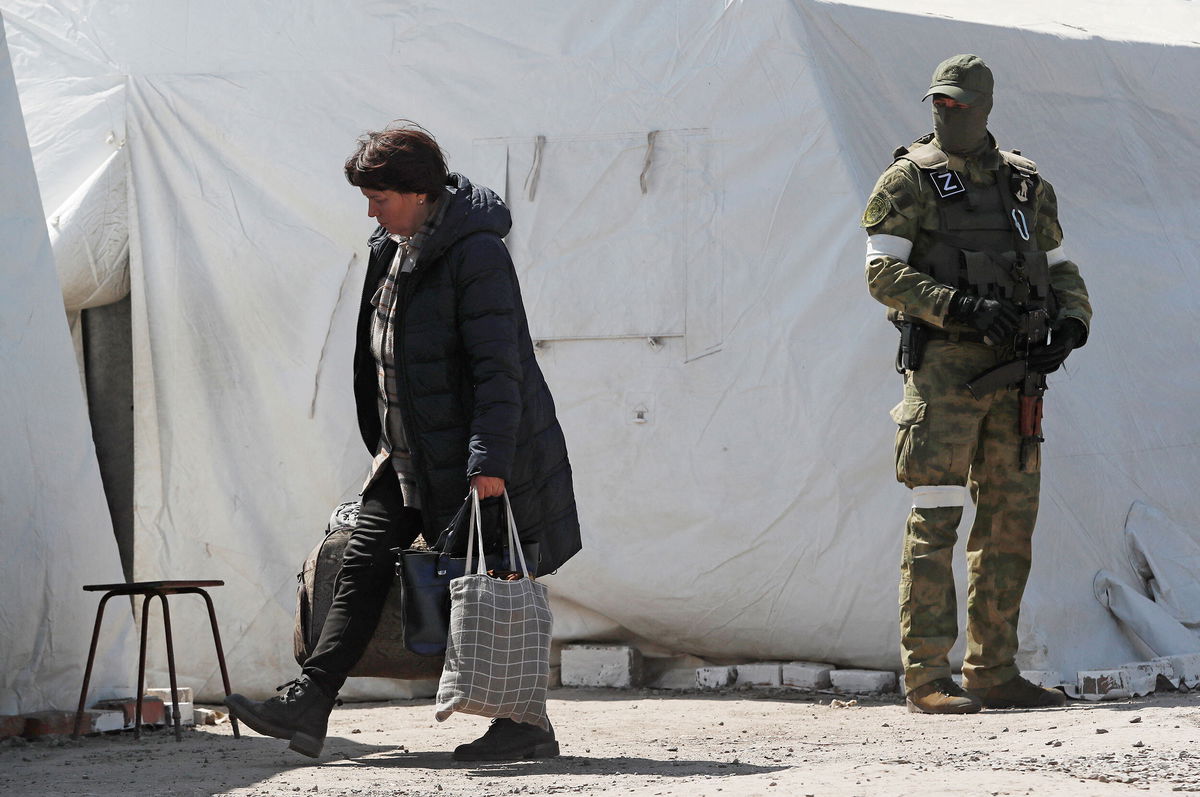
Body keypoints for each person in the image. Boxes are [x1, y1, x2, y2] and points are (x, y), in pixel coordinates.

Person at [225, 122, 581, 757]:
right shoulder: (390, 246)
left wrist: (488, 460)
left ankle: (526, 725)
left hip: (472, 451)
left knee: (494, 582)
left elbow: (500, 367)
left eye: (380, 196)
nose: (370, 209)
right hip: (410, 451)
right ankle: (311, 703)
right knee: (361, 560)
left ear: (419, 193)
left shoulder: (477, 254)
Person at [861, 55, 1092, 714]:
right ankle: (927, 675)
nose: (947, 112)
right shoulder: (909, 181)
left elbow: (1059, 265)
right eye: (940, 102)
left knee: (1009, 525)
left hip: (1017, 376)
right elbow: (883, 273)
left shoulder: (1025, 185)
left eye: (960, 105)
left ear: (986, 108)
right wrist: (959, 307)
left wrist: (1072, 322)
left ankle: (994, 669)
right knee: (934, 521)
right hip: (944, 376)